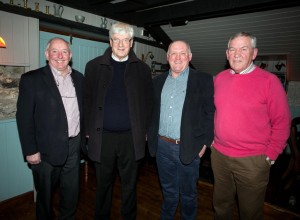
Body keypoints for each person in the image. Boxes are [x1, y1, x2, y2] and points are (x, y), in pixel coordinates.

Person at [212, 32, 291, 220]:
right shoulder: (219, 79)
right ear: (227, 53)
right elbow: (213, 112)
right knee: (221, 207)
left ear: (254, 53)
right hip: (220, 156)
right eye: (232, 49)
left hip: (252, 162)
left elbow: (282, 122)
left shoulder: (269, 82)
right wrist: (211, 141)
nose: (237, 54)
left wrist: (270, 156)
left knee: (250, 213)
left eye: (243, 49)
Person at [84, 22, 153, 220]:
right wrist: (88, 128)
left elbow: (149, 103)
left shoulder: (143, 70)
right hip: (103, 137)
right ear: (110, 41)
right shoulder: (94, 66)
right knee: (103, 186)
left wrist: (145, 130)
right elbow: (86, 100)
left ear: (131, 42)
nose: (121, 44)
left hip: (131, 139)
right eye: (117, 39)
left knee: (129, 186)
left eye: (126, 40)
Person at [16, 37, 85, 219]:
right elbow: (24, 118)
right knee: (45, 198)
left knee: (71, 193)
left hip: (73, 147)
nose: (60, 56)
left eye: (64, 52)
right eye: (55, 51)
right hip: (45, 151)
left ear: (70, 55)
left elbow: (84, 110)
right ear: (47, 54)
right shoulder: (32, 79)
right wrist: (30, 150)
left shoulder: (79, 78)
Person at [147, 40, 215, 220]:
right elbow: (151, 111)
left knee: (188, 194)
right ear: (168, 57)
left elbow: (211, 113)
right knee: (168, 191)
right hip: (162, 147)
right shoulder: (157, 82)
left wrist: (205, 143)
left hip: (189, 147)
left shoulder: (203, 79)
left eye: (182, 53)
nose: (178, 58)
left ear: (190, 57)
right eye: (173, 54)